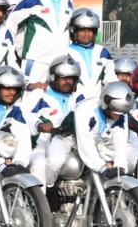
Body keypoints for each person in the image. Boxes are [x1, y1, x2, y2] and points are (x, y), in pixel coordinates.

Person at [25, 56, 100, 188]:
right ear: (54, 77)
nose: (68, 82)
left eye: (71, 78)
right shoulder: (40, 95)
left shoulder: (81, 97)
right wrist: (40, 125)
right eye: (64, 78)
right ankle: (45, 196)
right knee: (51, 161)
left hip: (78, 139)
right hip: (43, 142)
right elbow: (25, 118)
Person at [10, 0, 79, 69]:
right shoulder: (33, 0)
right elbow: (10, 27)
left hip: (60, 65)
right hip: (34, 63)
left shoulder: (68, 3)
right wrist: (14, 56)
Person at [57, 5, 113, 94]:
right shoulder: (65, 52)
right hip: (73, 101)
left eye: (90, 30)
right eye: (82, 29)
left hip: (97, 102)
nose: (86, 33)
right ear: (74, 30)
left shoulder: (103, 52)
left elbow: (111, 79)